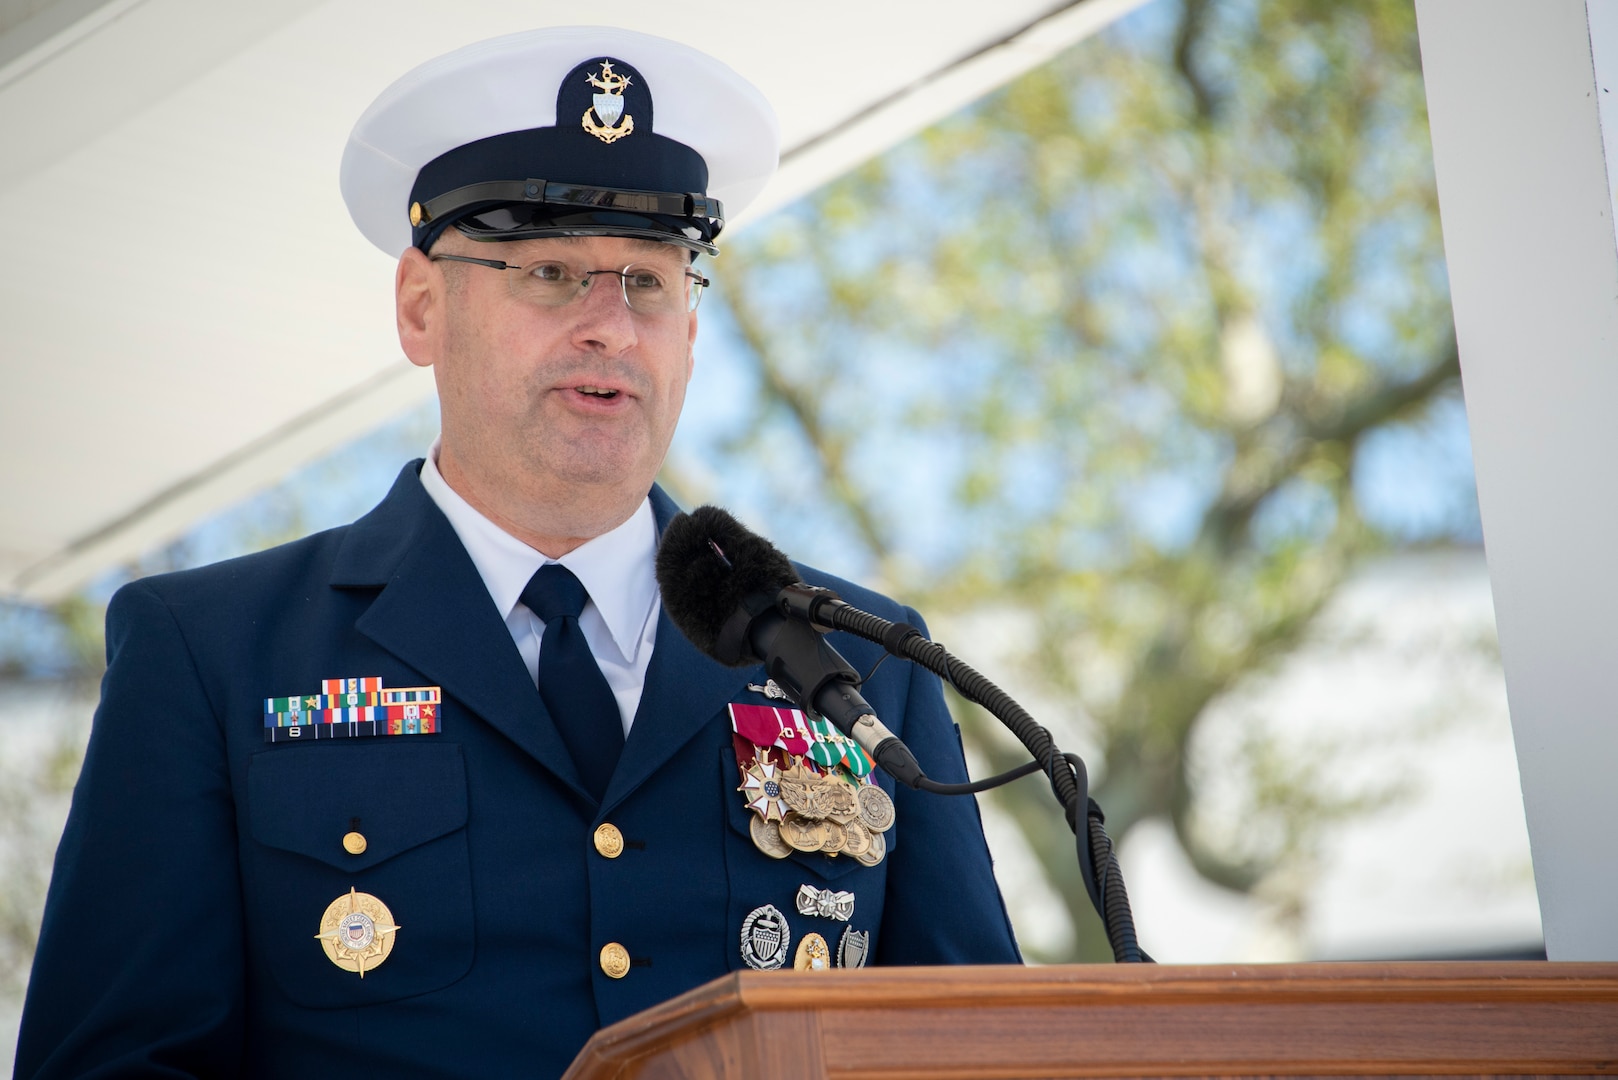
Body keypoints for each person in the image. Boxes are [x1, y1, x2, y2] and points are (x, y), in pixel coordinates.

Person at [15, 25, 1019, 1079]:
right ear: (420, 307)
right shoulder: (214, 653)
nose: (610, 328)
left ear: (689, 328)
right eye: (550, 272)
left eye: (648, 282)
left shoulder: (861, 662)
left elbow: (988, 1055)